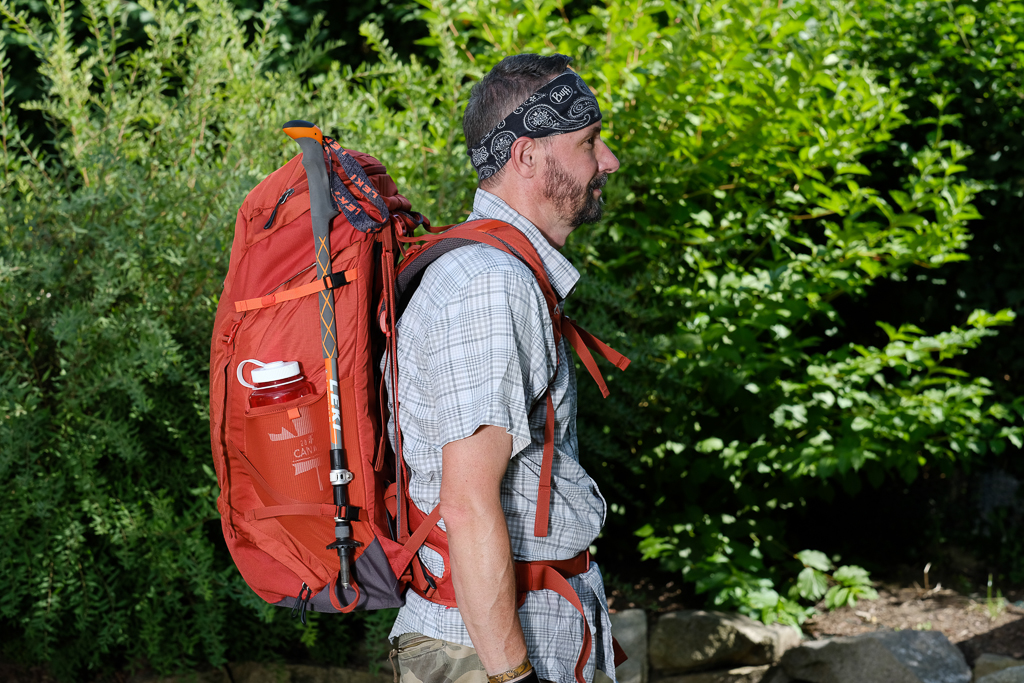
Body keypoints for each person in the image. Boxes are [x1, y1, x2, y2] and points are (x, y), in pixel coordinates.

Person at [386, 53, 621, 683]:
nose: (609, 162)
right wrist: (512, 678)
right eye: (589, 142)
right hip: (491, 655)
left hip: (531, 634)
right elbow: (465, 504)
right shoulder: (489, 285)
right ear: (526, 156)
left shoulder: (501, 273)